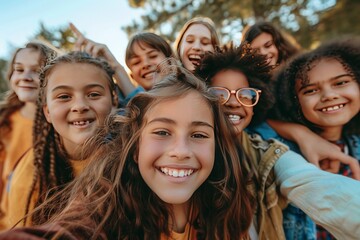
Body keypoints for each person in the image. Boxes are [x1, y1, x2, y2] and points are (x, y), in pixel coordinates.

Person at [0, 63, 254, 239]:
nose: (180, 151)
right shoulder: (106, 209)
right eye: (162, 132)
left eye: (198, 135)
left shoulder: (228, 208)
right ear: (135, 148)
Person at [195, 44, 360, 239]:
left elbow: (307, 181)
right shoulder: (188, 151)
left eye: (245, 94)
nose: (233, 102)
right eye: (219, 94)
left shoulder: (270, 153)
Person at [0, 51, 118, 230]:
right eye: (64, 96)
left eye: (93, 94)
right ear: (47, 112)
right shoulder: (29, 176)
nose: (79, 106)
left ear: (114, 100)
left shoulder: (131, 160)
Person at [272, 37, 360, 240]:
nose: (329, 95)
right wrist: (297, 132)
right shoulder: (282, 151)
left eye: (341, 82)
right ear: (293, 102)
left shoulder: (355, 143)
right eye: (310, 90)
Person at [0, 42, 57, 205]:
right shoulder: (4, 120)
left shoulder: (61, 125)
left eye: (37, 71)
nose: (25, 77)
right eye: (19, 69)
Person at [70, 23, 174, 98]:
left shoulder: (188, 91)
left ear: (170, 61)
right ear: (133, 76)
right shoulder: (128, 109)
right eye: (136, 62)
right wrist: (114, 67)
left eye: (152, 56)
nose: (145, 64)